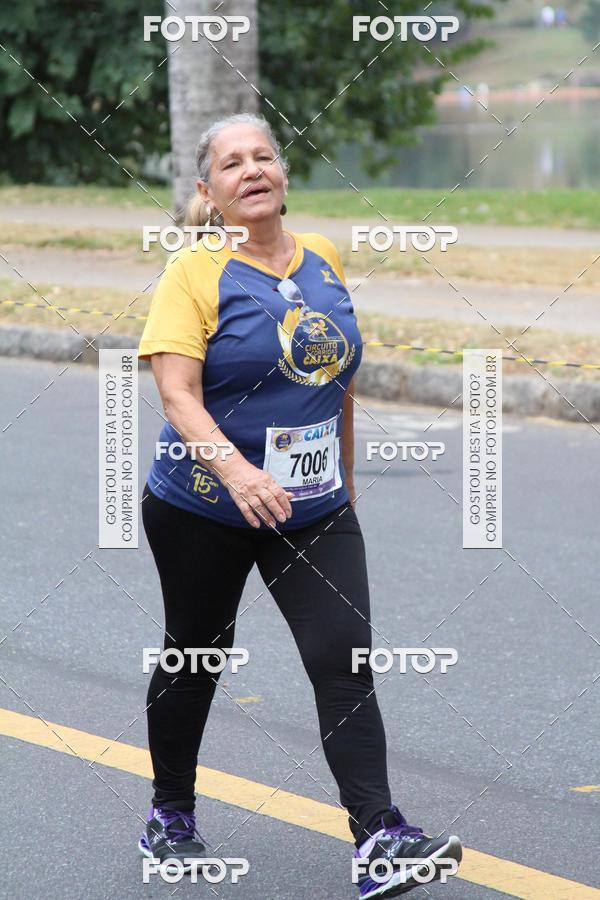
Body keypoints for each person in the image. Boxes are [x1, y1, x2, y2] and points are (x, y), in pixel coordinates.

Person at [136, 112, 462, 897]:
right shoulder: (194, 273)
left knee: (343, 657)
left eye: (263, 156)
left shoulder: (323, 257)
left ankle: (379, 837)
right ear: (209, 191)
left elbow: (335, 375)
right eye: (232, 164)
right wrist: (239, 474)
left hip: (312, 508)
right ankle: (170, 816)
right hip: (204, 507)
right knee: (198, 655)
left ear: (282, 175)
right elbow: (177, 394)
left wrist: (341, 477)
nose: (252, 170)